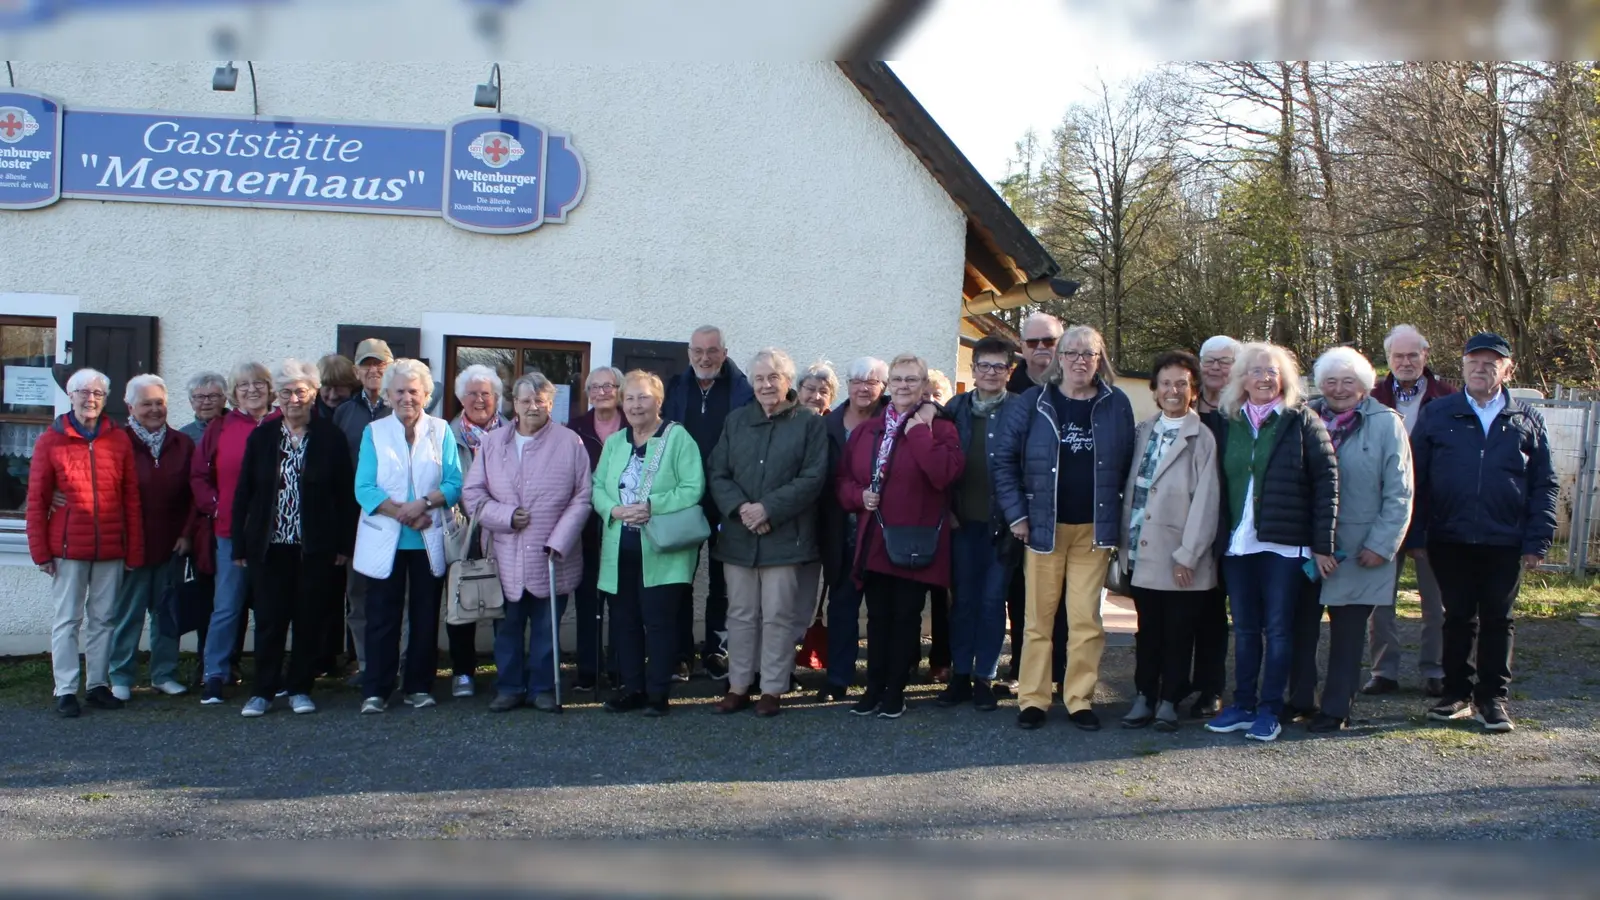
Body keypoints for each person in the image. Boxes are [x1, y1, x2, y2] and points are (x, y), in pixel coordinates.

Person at [1411, 332, 1557, 733]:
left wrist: (1537, 538)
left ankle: (1491, 698)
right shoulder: (1438, 413)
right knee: (1456, 615)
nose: (1481, 368)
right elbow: (1416, 479)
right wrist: (1417, 533)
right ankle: (1456, 690)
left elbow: (1545, 483)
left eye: (1491, 362)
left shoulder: (1526, 417)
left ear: (1507, 369)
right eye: (1474, 361)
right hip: (1449, 536)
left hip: (1504, 538)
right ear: (1462, 366)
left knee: (1498, 617)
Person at [993, 325, 1135, 732]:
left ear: (1098, 359)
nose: (1078, 361)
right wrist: (1017, 516)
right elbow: (1004, 461)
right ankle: (1034, 698)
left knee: (1085, 620)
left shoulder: (1116, 403)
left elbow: (1125, 463)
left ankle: (1079, 699)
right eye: (1070, 353)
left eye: (1087, 354)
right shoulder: (1033, 402)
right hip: (1042, 530)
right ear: (1059, 359)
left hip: (1093, 529)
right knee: (1038, 620)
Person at [1202, 342, 1339, 743]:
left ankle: (1270, 709)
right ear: (1241, 378)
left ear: (1285, 379)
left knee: (1279, 630)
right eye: (1256, 370)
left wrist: (1323, 543)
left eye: (1272, 371)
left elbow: (1327, 483)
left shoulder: (1302, 420)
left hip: (1285, 545)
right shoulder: (1228, 422)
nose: (1264, 378)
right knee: (1244, 628)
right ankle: (1242, 704)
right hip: (1238, 545)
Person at [1283, 347, 1413, 733]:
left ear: (1365, 386)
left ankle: (1336, 708)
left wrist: (1382, 543)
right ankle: (1299, 699)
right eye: (1331, 381)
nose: (1339, 389)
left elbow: (1400, 492)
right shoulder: (1302, 419)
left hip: (1359, 549)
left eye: (1348, 382)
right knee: (1301, 627)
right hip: (1305, 546)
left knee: (1347, 634)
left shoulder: (1386, 424)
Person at [836, 353, 964, 719]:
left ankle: (895, 689)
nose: (904, 386)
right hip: (874, 537)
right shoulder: (867, 430)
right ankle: (873, 687)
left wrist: (919, 432)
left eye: (912, 380)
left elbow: (943, 475)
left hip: (915, 541)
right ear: (888, 385)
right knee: (876, 618)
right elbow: (842, 481)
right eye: (898, 379)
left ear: (924, 386)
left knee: (906, 617)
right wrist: (858, 496)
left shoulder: (942, 428)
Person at [232, 360, 357, 717]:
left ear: (313, 394)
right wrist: (241, 544)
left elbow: (344, 496)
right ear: (277, 397)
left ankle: (300, 687)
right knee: (270, 620)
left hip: (315, 547)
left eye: (300, 392)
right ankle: (263, 691)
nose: (293, 399)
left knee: (309, 619)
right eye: (285, 392)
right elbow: (245, 493)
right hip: (269, 547)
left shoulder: (330, 437)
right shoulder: (263, 436)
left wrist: (344, 545)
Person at [708, 348, 829, 717]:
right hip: (739, 537)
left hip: (785, 537)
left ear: (787, 382)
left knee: (778, 616)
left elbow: (812, 477)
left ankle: (773, 689)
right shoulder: (736, 421)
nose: (765, 385)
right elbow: (718, 472)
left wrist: (768, 509)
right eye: (758, 378)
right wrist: (743, 509)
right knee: (741, 615)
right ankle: (739, 685)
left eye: (772, 377)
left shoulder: (809, 423)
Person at [463, 372, 593, 713]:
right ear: (514, 405)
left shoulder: (570, 442)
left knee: (547, 630)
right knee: (506, 628)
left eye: (540, 401)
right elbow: (473, 494)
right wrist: (504, 516)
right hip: (505, 554)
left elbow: (583, 497)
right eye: (525, 401)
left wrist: (560, 539)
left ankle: (543, 688)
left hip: (553, 555)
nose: (533, 407)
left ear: (550, 404)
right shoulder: (492, 443)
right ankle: (509, 687)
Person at [28, 368, 145, 717]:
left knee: (104, 619)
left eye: (97, 393)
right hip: (66, 548)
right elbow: (36, 499)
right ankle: (65, 689)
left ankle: (97, 685)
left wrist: (134, 548)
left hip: (110, 546)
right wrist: (39, 551)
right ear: (70, 395)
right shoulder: (51, 440)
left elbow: (131, 498)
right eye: (83, 392)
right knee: (67, 620)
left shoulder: (118, 439)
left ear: (105, 399)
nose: (89, 398)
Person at [1114, 351, 1220, 732]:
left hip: (1181, 556)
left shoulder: (1202, 438)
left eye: (1181, 384)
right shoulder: (1143, 431)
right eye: (1166, 384)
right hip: (1142, 551)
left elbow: (1207, 503)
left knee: (1178, 633)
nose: (1173, 391)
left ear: (1193, 391)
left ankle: (1169, 699)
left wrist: (1188, 555)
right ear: (1155, 390)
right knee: (1148, 631)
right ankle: (1144, 694)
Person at [352, 359, 463, 714]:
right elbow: (364, 488)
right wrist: (404, 512)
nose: (407, 398)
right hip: (386, 538)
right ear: (387, 394)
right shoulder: (375, 432)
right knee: (382, 617)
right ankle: (377, 690)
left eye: (414, 391)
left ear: (426, 394)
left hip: (428, 538)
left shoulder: (442, 430)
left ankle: (418, 686)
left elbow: (454, 483)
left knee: (425, 616)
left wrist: (423, 504)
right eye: (399, 391)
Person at [593, 370, 705, 716]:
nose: (636, 404)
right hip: (620, 549)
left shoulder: (678, 438)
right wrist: (612, 508)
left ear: (659, 401)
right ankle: (632, 689)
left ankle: (658, 693)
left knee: (659, 623)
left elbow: (692, 487)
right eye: (630, 397)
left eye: (644, 397)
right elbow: (597, 486)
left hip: (662, 550)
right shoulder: (614, 443)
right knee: (624, 623)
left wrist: (651, 507)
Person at [1363, 324, 1455, 698]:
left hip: (1434, 513)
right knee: (1379, 599)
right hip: (1383, 512)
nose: (1405, 362)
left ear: (1425, 356)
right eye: (1398, 356)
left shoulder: (1449, 397)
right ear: (1388, 360)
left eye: (1412, 355)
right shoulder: (1371, 399)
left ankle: (1436, 670)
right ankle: (1384, 671)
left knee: (1437, 601)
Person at [662, 324, 753, 681]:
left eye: (712, 351)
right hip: (685, 499)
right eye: (697, 351)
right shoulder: (675, 387)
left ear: (724, 353)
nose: (704, 358)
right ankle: (680, 653)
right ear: (689, 353)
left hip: (728, 498)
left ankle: (717, 650)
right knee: (680, 578)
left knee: (723, 580)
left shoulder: (743, 389)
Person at [939, 337, 1022, 712]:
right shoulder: (953, 409)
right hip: (960, 523)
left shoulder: (1023, 411)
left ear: (1010, 371)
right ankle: (959, 674)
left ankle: (984, 678)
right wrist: (946, 510)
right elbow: (937, 467)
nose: (990, 373)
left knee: (992, 603)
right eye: (983, 366)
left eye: (998, 367)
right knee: (963, 602)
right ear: (972, 371)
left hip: (1001, 526)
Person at [107, 375, 195, 700]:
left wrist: (187, 534)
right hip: (132, 548)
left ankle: (164, 674)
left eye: (160, 403)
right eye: (147, 403)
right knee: (127, 616)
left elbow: (193, 496)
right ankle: (120, 677)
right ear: (130, 407)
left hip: (171, 547)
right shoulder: (117, 443)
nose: (155, 409)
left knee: (167, 615)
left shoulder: (182, 443)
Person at [191, 360, 273, 705]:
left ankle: (272, 675)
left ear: (270, 389)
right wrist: (217, 506)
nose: (251, 390)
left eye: (258, 384)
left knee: (273, 606)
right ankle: (215, 673)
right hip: (231, 531)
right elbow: (198, 476)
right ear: (233, 393)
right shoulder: (221, 427)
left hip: (275, 533)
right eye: (243, 385)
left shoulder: (283, 423)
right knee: (227, 605)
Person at [817, 357, 888, 701]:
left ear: (883, 387)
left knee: (880, 610)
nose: (863, 388)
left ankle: (879, 679)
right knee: (841, 607)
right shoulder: (829, 424)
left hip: (878, 531)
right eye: (857, 381)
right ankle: (838, 678)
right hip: (837, 530)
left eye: (871, 382)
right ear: (847, 384)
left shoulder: (895, 420)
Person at [445, 363, 509, 698]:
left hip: (504, 529)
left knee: (506, 602)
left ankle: (507, 672)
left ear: (497, 398)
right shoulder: (445, 434)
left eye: (486, 393)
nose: (479, 400)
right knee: (462, 599)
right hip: (463, 528)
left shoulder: (515, 432)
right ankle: (462, 672)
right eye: (472, 393)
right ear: (461, 398)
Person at [332, 338, 393, 684]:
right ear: (356, 371)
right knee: (358, 596)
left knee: (395, 594)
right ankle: (368, 664)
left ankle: (395, 663)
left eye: (380, 365)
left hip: (396, 515)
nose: (373, 371)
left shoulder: (403, 406)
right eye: (367, 365)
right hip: (356, 519)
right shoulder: (344, 413)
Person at [1190, 334, 1241, 717]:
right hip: (1185, 522)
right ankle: (1181, 681)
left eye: (1225, 361)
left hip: (1232, 524)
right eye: (1209, 360)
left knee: (1218, 611)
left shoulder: (1243, 411)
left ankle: (1213, 687)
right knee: (1190, 608)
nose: (1216, 368)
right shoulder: (1185, 404)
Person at [569, 364, 626, 692]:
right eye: (596, 387)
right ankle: (589, 671)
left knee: (622, 601)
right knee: (588, 599)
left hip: (625, 524)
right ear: (588, 393)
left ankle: (620, 668)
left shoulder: (632, 425)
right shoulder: (575, 428)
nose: (602, 392)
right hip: (586, 527)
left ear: (619, 391)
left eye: (609, 386)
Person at [1006, 312, 1065, 395]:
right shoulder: (1008, 393)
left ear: (1062, 343)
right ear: (1022, 346)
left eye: (1049, 341)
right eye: (1032, 342)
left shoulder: (1081, 385)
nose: (1041, 346)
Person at [181, 372, 228, 442]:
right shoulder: (183, 437)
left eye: (213, 396)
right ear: (191, 402)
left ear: (224, 399)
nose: (206, 402)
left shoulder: (239, 429)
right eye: (200, 397)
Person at [315, 354, 361, 422]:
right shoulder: (308, 415)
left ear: (352, 386)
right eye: (327, 388)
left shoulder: (362, 413)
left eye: (339, 387)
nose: (333, 396)